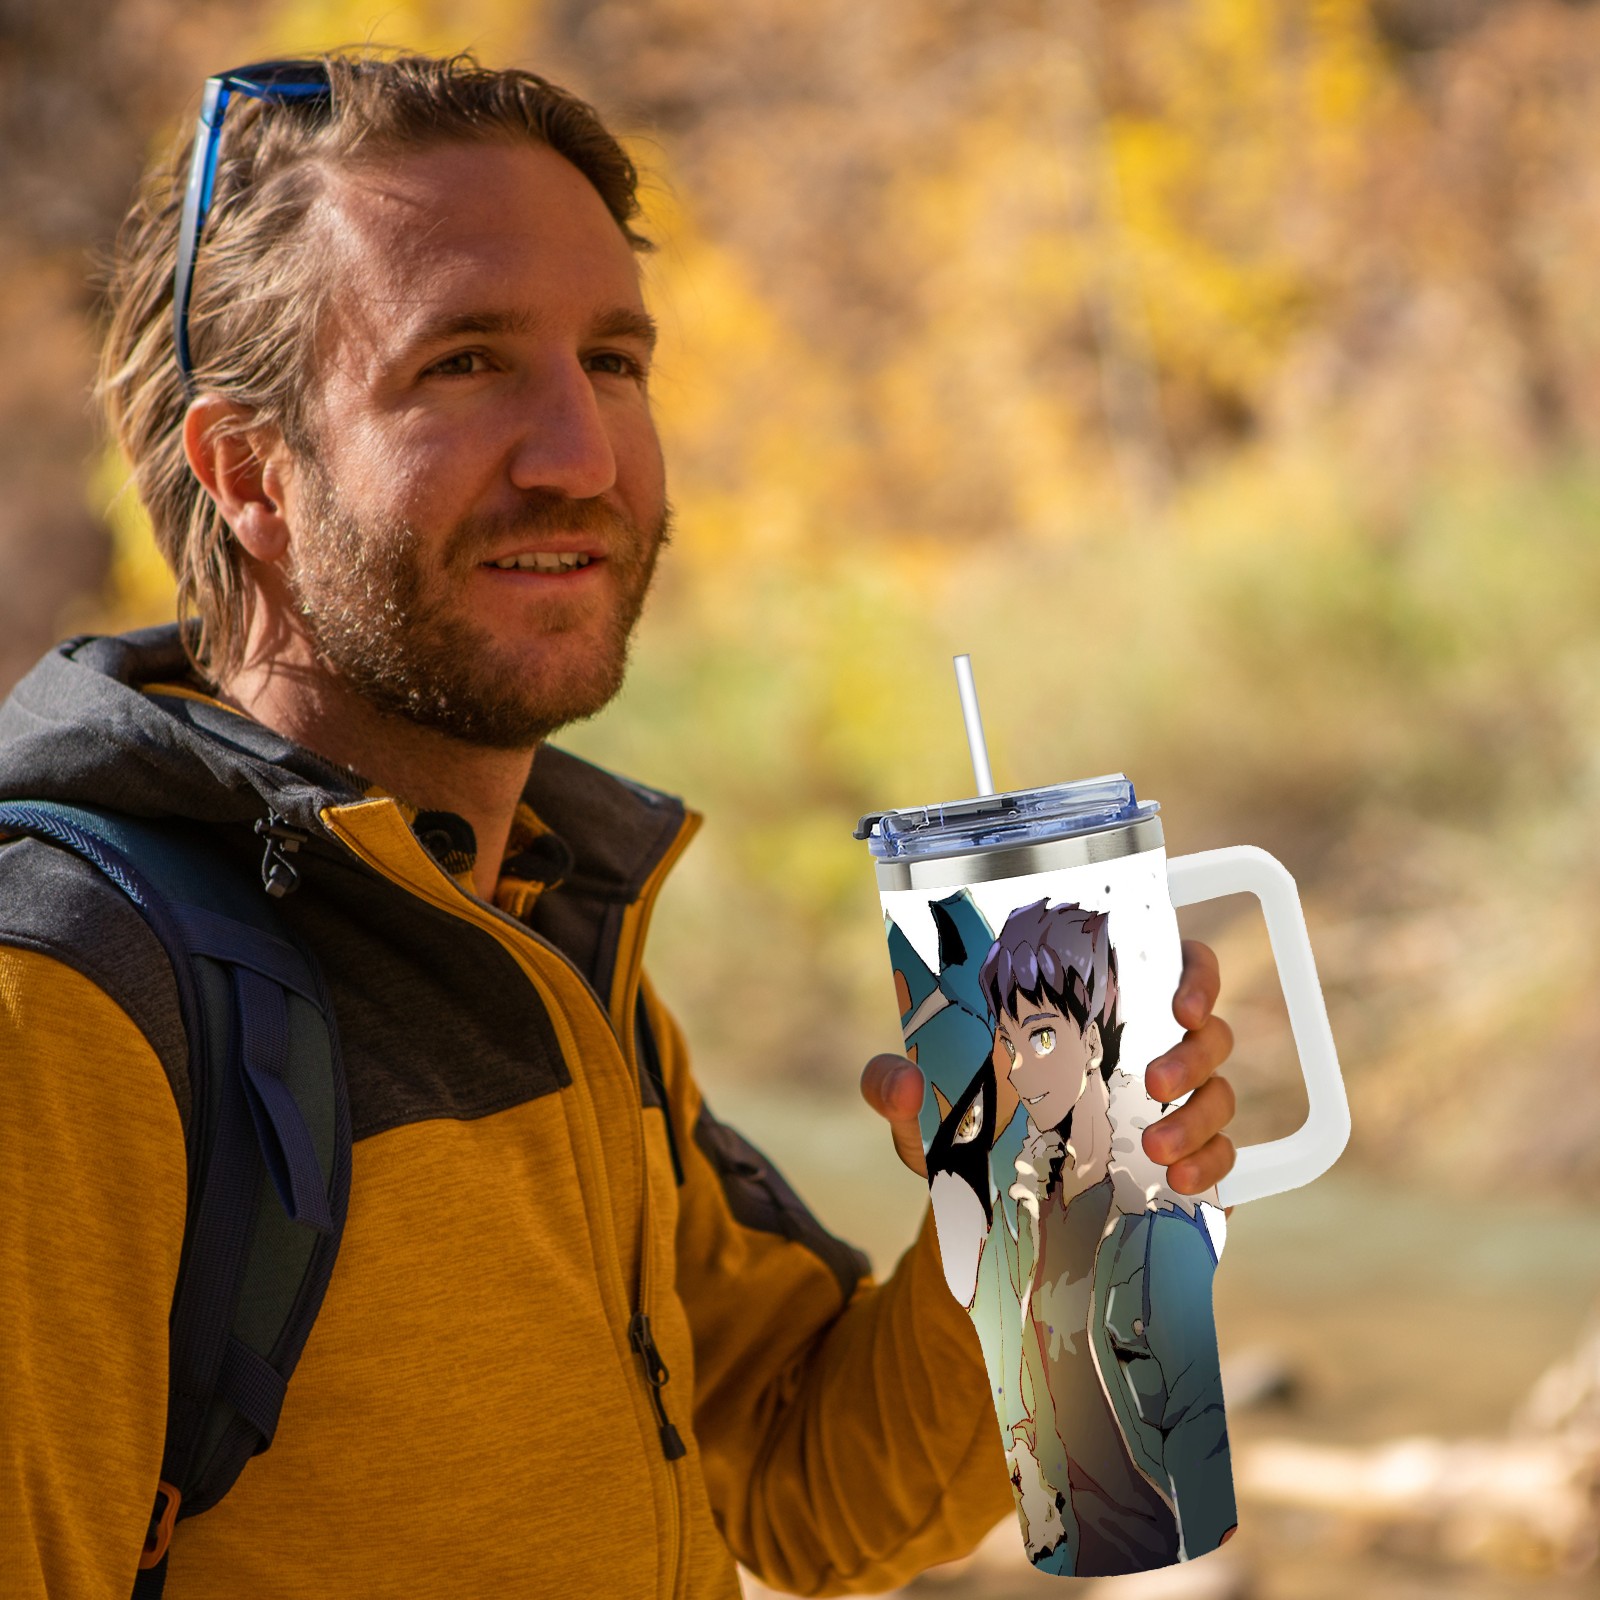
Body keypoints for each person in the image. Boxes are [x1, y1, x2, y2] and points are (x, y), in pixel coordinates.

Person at [0, 51, 1239, 1597]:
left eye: (614, 360)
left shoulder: (541, 926)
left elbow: (802, 1488)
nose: (581, 455)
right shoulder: (70, 999)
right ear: (250, 474)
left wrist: (1017, 1222)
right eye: (463, 363)